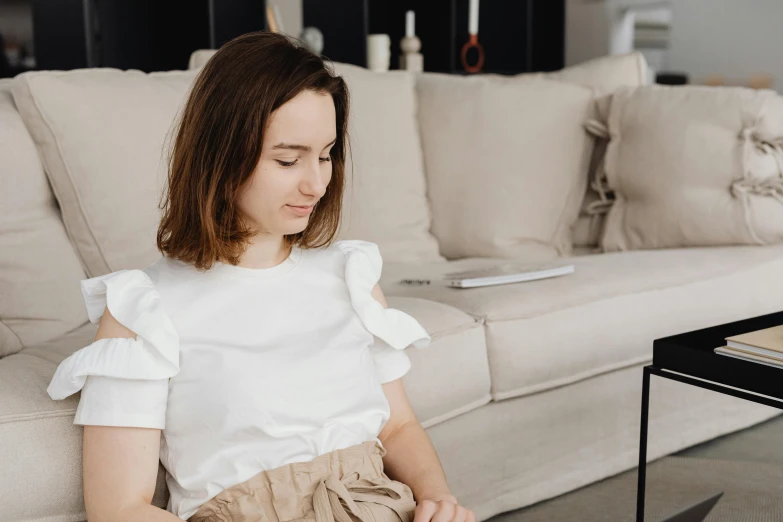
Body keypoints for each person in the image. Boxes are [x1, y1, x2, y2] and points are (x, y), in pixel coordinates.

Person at [46, 31, 475, 522]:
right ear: (222, 155)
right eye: (288, 160)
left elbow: (397, 428)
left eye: (326, 154)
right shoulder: (144, 310)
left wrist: (439, 501)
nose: (315, 183)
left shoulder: (350, 276)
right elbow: (118, 509)